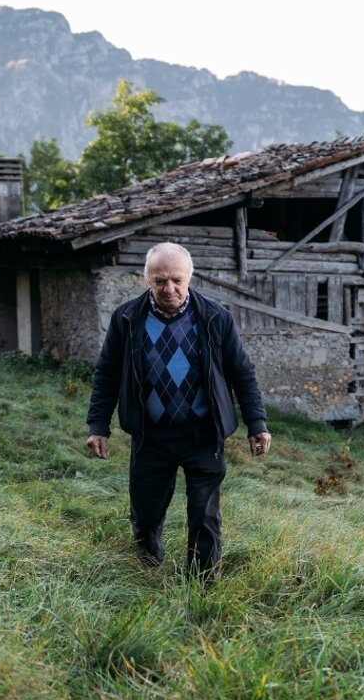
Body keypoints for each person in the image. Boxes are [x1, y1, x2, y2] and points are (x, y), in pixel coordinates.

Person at [86, 241, 271, 580]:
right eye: (159, 281)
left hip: (202, 434)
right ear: (147, 280)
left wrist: (256, 423)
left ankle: (202, 585)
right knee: (146, 512)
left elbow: (241, 371)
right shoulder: (127, 319)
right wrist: (98, 424)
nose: (168, 288)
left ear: (189, 278)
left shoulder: (216, 318)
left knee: (204, 514)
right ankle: (148, 567)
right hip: (150, 436)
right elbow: (107, 373)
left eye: (176, 280)